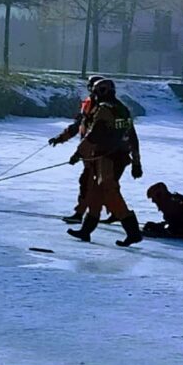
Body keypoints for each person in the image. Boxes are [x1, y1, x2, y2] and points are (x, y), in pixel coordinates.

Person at [66, 79, 143, 247]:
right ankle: (86, 231)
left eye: (95, 92)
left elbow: (93, 135)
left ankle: (133, 232)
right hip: (120, 157)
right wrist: (137, 162)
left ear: (101, 92)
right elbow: (132, 136)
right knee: (96, 192)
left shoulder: (104, 110)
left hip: (108, 158)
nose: (94, 96)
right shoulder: (122, 109)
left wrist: (78, 154)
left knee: (109, 192)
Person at [49, 75, 103, 224]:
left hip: (99, 153)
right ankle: (87, 213)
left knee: (93, 184)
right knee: (94, 183)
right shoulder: (89, 103)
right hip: (89, 152)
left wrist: (79, 153)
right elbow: (77, 125)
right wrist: (60, 138)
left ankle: (82, 214)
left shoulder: (104, 108)